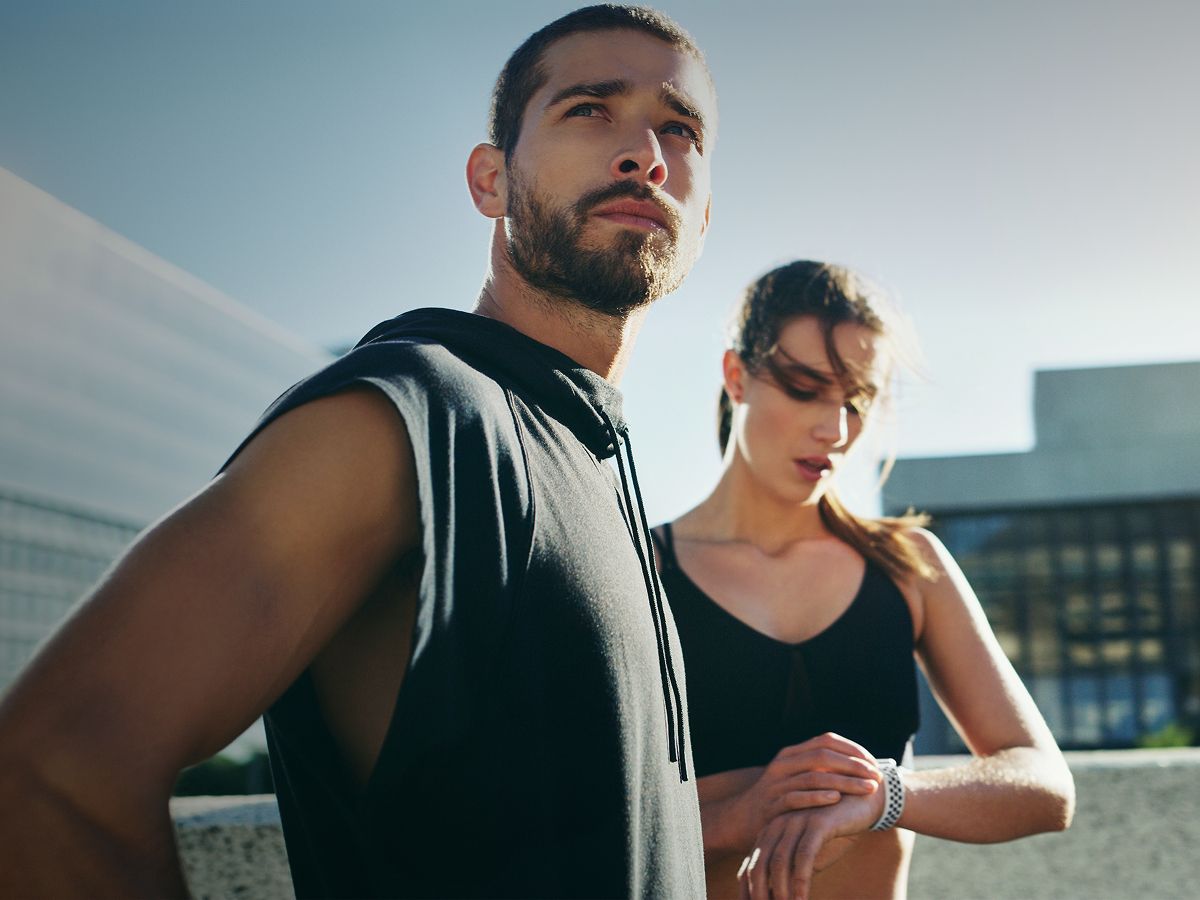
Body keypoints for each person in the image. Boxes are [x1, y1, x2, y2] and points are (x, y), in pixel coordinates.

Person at [0, 6, 718, 897]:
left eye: (678, 129)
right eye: (589, 109)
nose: (644, 152)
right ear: (490, 179)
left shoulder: (601, 457)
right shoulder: (412, 409)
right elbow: (48, 773)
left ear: (702, 213)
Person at [652, 261, 1076, 900]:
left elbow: (1045, 787)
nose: (836, 430)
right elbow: (565, 821)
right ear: (736, 376)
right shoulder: (641, 569)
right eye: (805, 389)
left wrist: (886, 793)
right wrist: (740, 815)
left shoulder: (909, 566)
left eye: (856, 400)